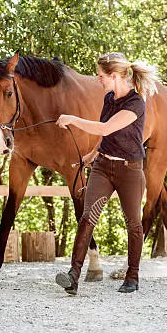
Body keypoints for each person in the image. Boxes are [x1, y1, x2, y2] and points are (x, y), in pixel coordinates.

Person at [54, 52, 159, 294]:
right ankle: (73, 276)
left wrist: (72, 119)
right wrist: (94, 152)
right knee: (87, 218)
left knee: (133, 223)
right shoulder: (109, 98)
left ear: (113, 76)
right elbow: (106, 135)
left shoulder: (136, 103)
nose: (98, 79)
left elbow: (107, 126)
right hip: (102, 167)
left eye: (101, 76)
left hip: (130, 170)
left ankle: (132, 276)